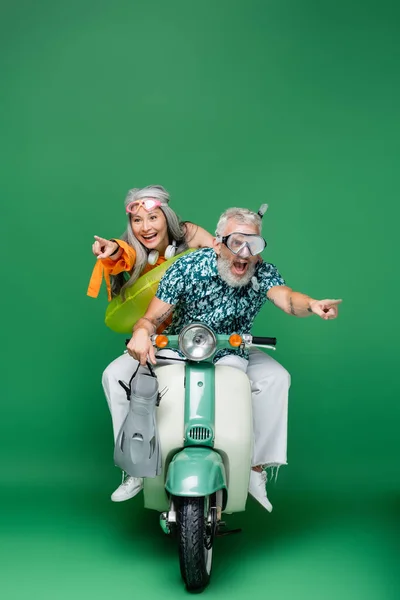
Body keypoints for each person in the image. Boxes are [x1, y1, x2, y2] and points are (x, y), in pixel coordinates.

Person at [127, 207, 341, 511]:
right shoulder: (188, 267)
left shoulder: (262, 272)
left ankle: (255, 469)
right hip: (180, 347)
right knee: (140, 383)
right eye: (236, 242)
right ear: (217, 242)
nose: (244, 253)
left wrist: (313, 305)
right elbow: (152, 316)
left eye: (252, 244)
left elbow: (288, 298)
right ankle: (137, 465)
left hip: (233, 351)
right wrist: (141, 331)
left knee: (276, 378)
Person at [88, 185, 214, 501]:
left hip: (197, 337)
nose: (146, 227)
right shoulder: (134, 253)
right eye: (138, 221)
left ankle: (250, 467)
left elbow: (221, 255)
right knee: (114, 375)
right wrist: (111, 250)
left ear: (166, 217)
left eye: (153, 217)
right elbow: (121, 253)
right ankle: (134, 465)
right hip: (153, 342)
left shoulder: (188, 235)